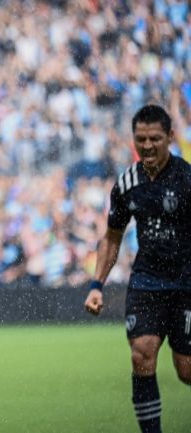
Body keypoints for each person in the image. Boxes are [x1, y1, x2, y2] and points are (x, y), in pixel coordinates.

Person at [84, 105, 191, 433]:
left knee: (187, 370)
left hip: (187, 283)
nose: (146, 145)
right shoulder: (127, 182)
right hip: (147, 281)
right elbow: (112, 237)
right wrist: (96, 285)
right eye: (140, 138)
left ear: (170, 137)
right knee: (141, 355)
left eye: (154, 139)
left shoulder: (187, 179)